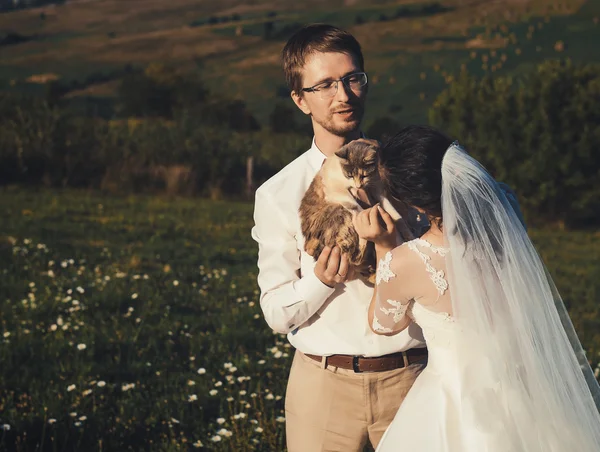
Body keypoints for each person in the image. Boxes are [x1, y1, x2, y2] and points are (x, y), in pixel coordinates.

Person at [353, 124, 600, 452]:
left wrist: (384, 247)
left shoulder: (407, 261)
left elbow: (384, 325)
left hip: (453, 404)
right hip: (527, 394)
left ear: (412, 202)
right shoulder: (507, 210)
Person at [250, 25, 427, 451]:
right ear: (300, 99)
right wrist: (321, 282)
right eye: (325, 84)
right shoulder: (278, 193)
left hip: (414, 382)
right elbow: (275, 311)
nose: (343, 95)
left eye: (352, 78)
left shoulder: (412, 173)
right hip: (321, 389)